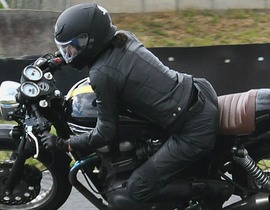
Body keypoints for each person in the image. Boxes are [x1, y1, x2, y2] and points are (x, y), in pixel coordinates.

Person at [41, 2, 231, 209]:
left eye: (73, 46)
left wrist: (64, 144)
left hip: (192, 129)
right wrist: (59, 59)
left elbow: (105, 133)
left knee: (139, 188)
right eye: (66, 47)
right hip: (197, 92)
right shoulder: (123, 38)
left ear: (91, 40)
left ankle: (213, 191)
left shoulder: (102, 74)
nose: (69, 52)